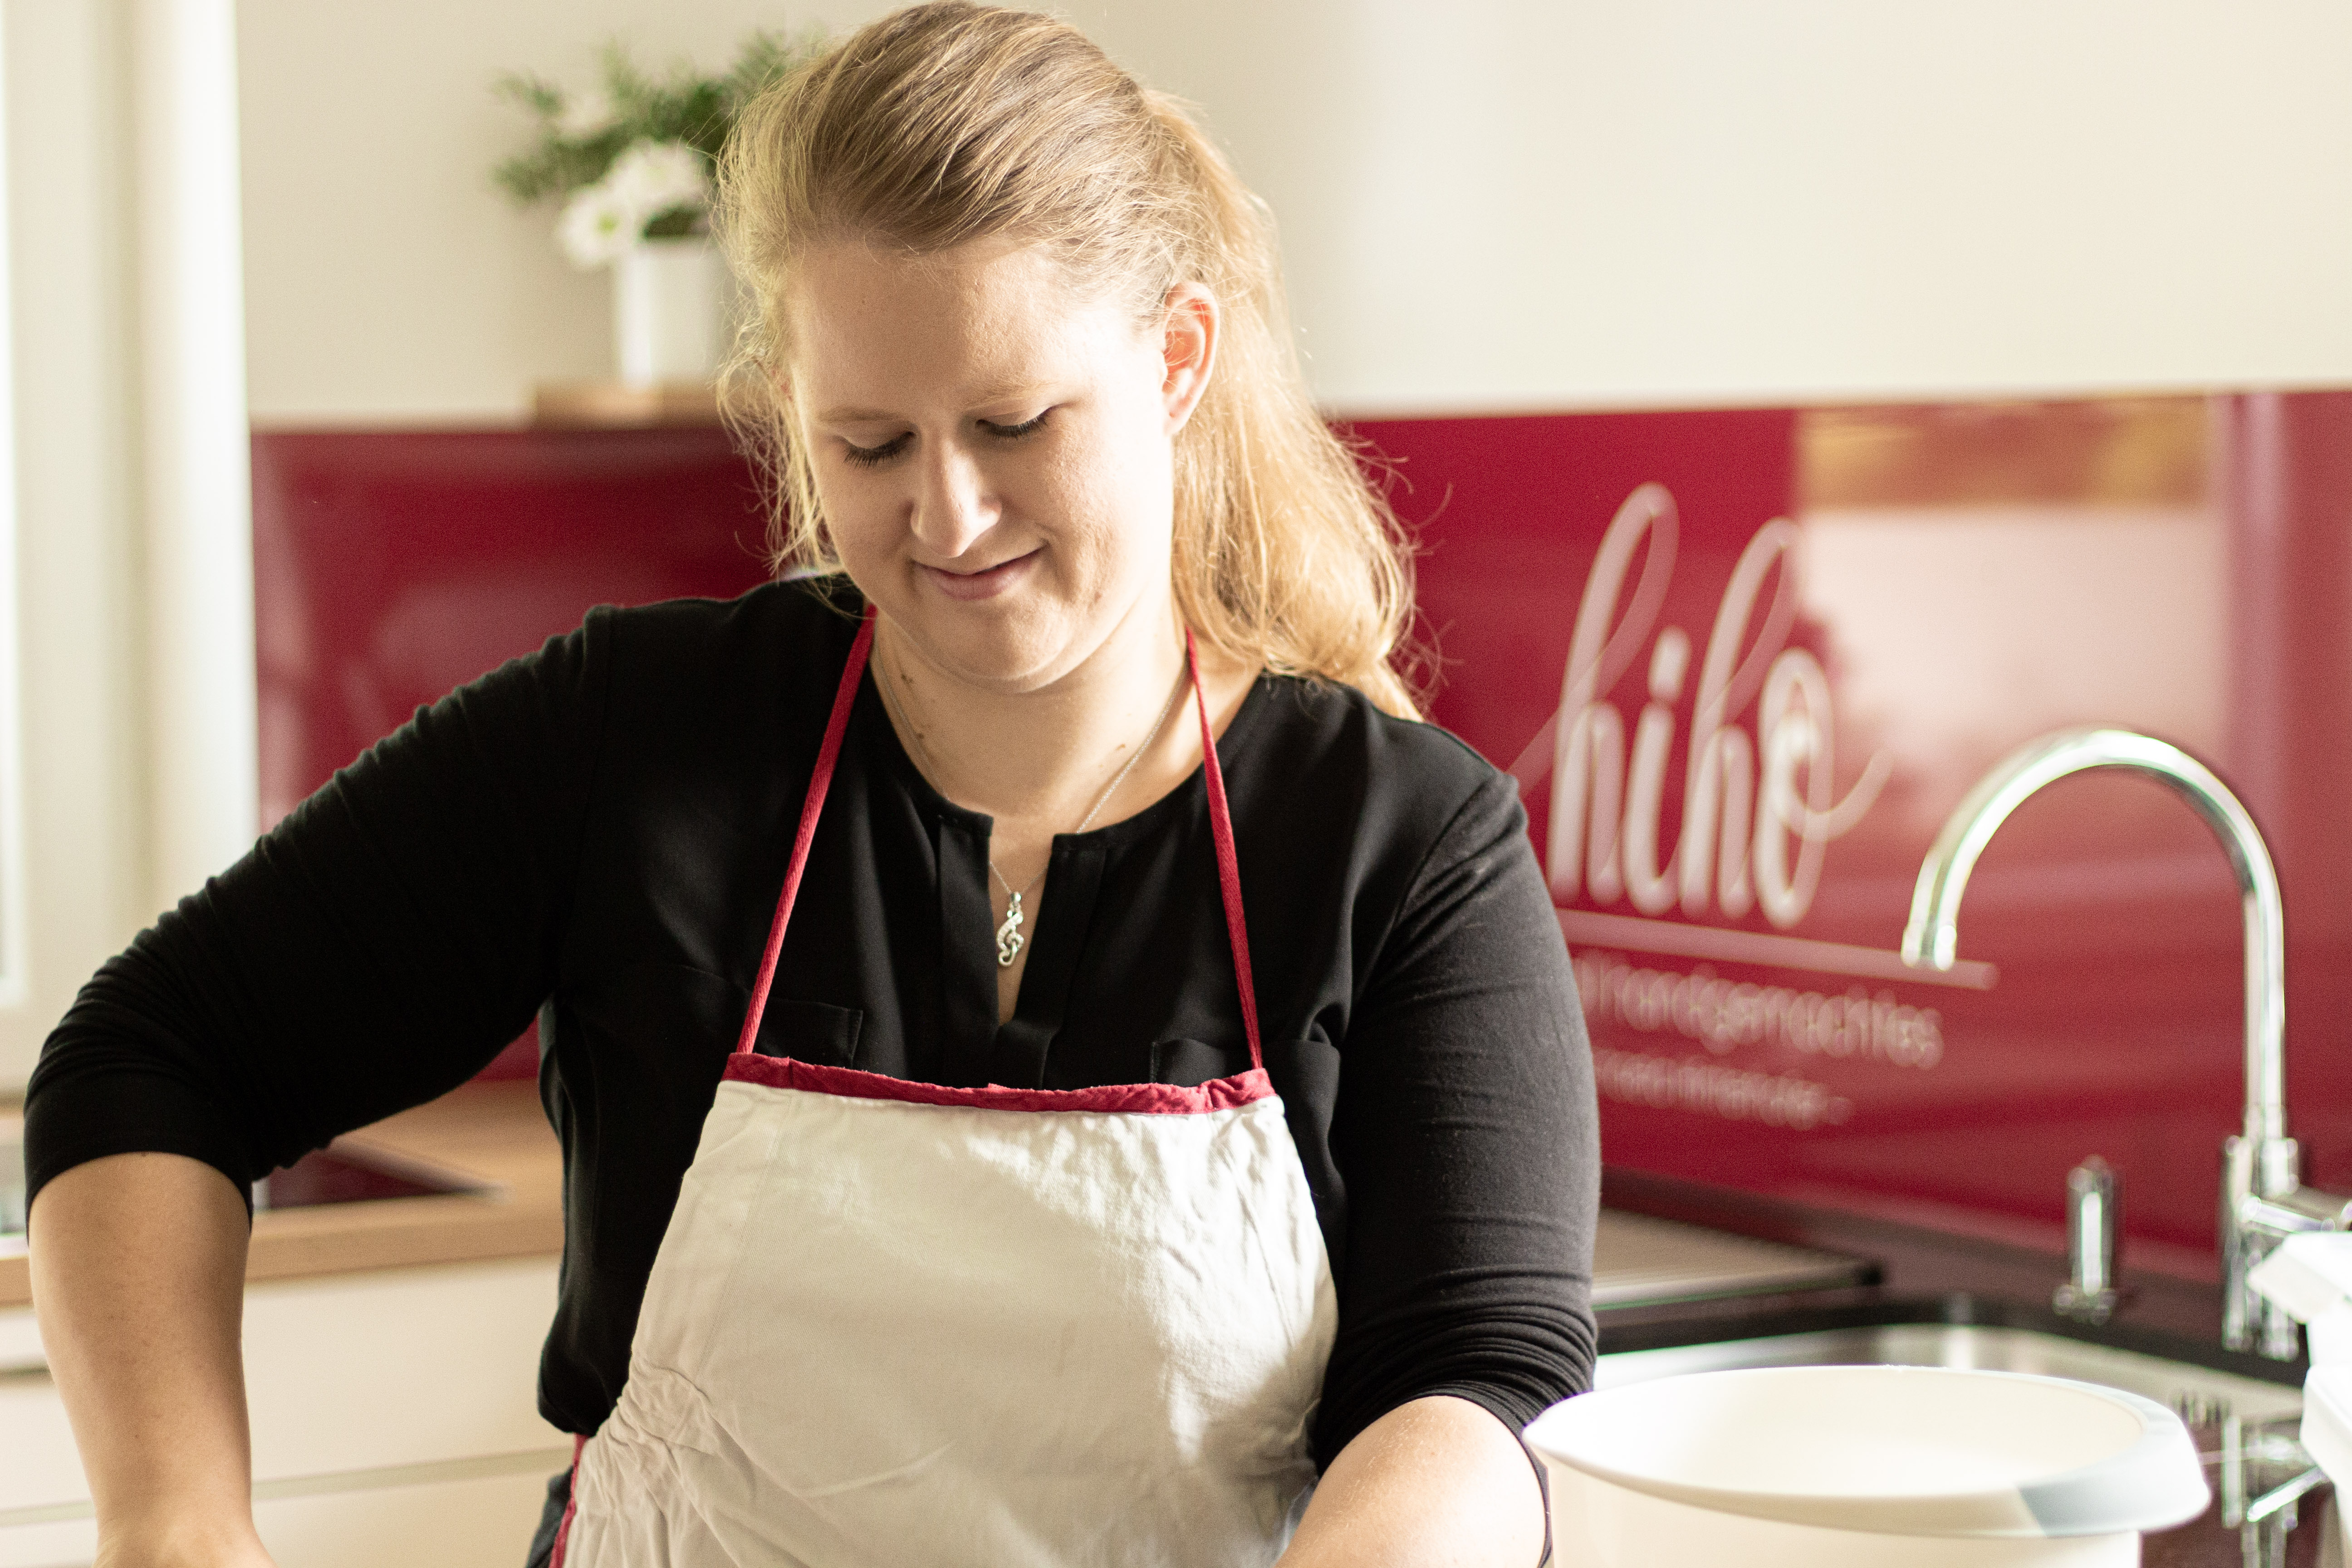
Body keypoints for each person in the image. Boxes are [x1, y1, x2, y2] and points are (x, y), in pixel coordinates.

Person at [24, 5, 1597, 1564]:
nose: (951, 513)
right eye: (870, 443)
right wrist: (174, 1526)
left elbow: (1475, 1385)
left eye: (1013, 423)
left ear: (1176, 358)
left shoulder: (1402, 842)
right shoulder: (640, 741)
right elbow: (154, 1057)